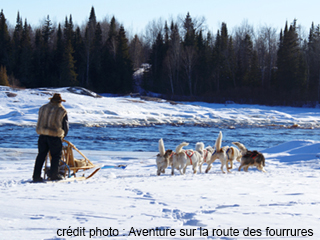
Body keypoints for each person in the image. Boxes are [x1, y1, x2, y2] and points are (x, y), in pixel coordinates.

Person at [32, 93, 69, 182]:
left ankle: (36, 176)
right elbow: (65, 126)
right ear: (60, 101)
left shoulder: (43, 108)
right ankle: (54, 175)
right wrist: (63, 135)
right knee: (56, 156)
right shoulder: (62, 110)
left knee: (41, 155)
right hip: (55, 136)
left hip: (42, 135)